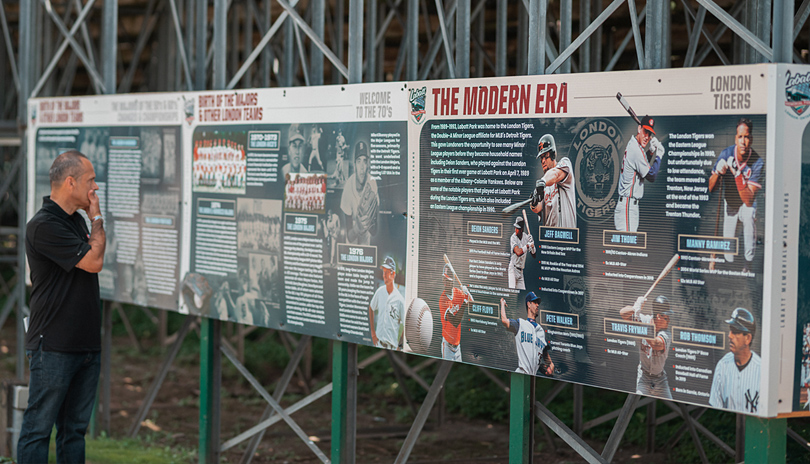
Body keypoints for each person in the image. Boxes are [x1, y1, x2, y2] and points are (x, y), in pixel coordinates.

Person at [18, 150, 106, 464]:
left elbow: (92, 257)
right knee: (38, 430)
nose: (95, 188)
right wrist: (97, 218)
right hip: (52, 346)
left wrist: (90, 220)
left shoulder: (75, 221)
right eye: (91, 181)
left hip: (85, 346)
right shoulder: (42, 225)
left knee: (74, 432)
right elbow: (94, 261)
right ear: (70, 182)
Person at [708, 118, 763, 272]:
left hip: (747, 204)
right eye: (740, 137)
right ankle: (730, 265)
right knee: (728, 254)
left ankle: (748, 262)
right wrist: (718, 173)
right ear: (736, 138)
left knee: (749, 216)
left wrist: (737, 173)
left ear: (751, 139)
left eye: (746, 137)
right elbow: (711, 188)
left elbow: (748, 199)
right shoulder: (726, 153)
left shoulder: (757, 161)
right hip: (730, 202)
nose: (743, 141)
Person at [614, 116, 664, 232]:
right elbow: (651, 176)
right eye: (645, 132)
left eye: (649, 134)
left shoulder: (636, 146)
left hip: (629, 205)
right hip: (627, 205)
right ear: (639, 129)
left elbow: (641, 165)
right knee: (627, 246)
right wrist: (659, 155)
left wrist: (651, 152)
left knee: (629, 246)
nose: (647, 137)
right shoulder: (636, 149)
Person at [619, 295, 674, 399]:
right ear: (658, 316)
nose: (669, 321)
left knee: (670, 402)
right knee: (635, 403)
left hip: (660, 379)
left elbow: (656, 344)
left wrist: (638, 325)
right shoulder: (645, 320)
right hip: (643, 377)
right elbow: (623, 313)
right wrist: (634, 308)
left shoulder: (666, 333)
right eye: (666, 317)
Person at [709, 308, 761, 413]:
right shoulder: (722, 365)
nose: (730, 336)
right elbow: (715, 408)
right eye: (730, 330)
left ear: (748, 338)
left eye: (735, 332)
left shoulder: (762, 370)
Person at [500, 292, 553, 375]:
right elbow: (504, 321)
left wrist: (551, 364)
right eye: (535, 302)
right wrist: (502, 304)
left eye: (538, 303)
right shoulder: (520, 324)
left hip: (532, 375)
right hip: (521, 373)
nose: (537, 305)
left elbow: (545, 352)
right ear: (529, 304)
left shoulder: (541, 331)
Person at [530, 134, 577, 228]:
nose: (543, 161)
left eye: (545, 156)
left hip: (567, 236)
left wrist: (543, 182)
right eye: (541, 158)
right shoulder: (544, 183)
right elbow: (538, 208)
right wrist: (534, 203)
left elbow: (555, 174)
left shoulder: (565, 165)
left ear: (553, 154)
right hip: (549, 237)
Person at [341, 141, 378, 245]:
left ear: (368, 165)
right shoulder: (348, 188)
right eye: (358, 161)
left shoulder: (372, 183)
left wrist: (369, 222)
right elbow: (349, 236)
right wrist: (357, 228)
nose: (362, 167)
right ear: (354, 165)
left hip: (366, 231)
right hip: (353, 231)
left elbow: (374, 231)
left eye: (365, 161)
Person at [368, 256, 405, 350]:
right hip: (378, 344)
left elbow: (405, 325)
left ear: (393, 274)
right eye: (383, 272)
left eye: (387, 272)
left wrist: (400, 345)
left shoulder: (399, 299)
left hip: (392, 347)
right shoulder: (380, 291)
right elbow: (371, 307)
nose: (384, 275)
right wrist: (373, 332)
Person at [439, 263, 472, 361]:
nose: (445, 282)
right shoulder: (443, 299)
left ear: (452, 281)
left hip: (457, 345)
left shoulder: (458, 292)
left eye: (448, 280)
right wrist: (465, 302)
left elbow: (472, 303)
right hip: (447, 345)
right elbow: (454, 322)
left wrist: (467, 294)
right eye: (444, 279)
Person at [508, 216, 535, 290]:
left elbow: (534, 255)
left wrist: (532, 245)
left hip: (521, 271)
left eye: (518, 228)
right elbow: (518, 252)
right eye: (515, 228)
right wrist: (528, 245)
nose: (516, 230)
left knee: (522, 290)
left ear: (522, 229)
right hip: (513, 269)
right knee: (512, 291)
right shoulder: (513, 237)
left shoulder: (526, 237)